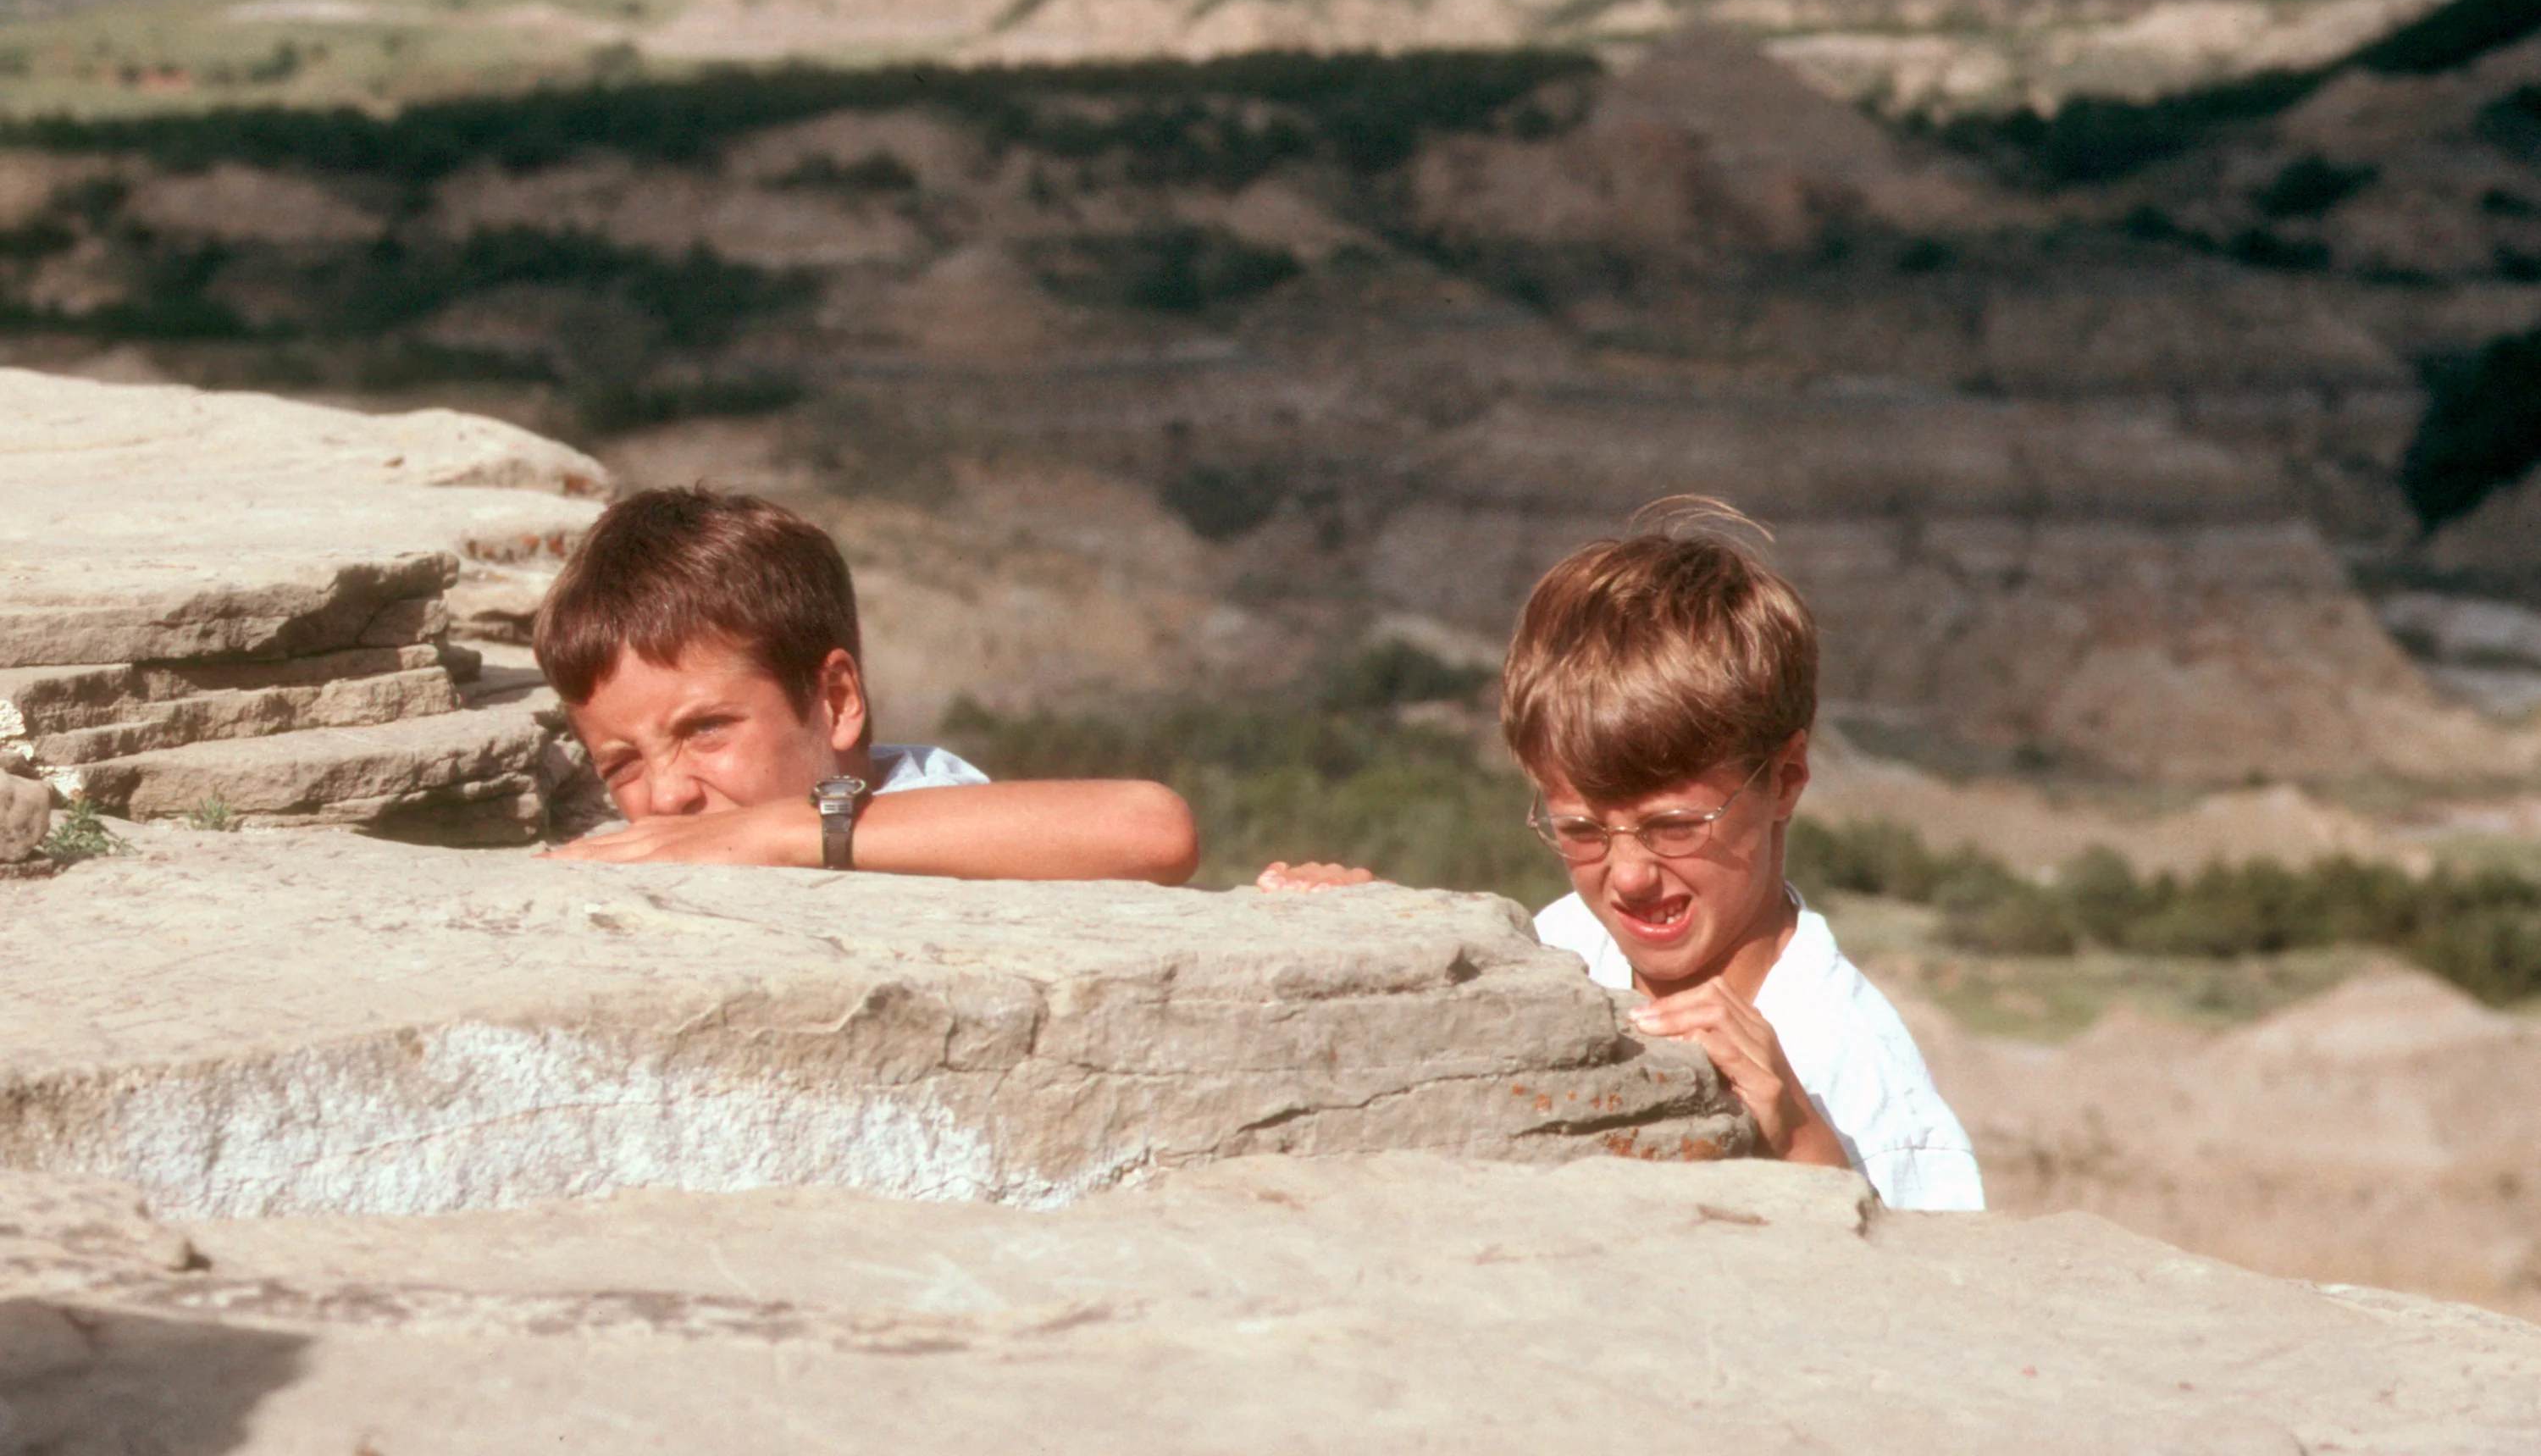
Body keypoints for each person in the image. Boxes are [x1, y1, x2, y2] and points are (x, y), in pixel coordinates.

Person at [1264, 498, 1981, 1211]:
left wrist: (1799, 1143)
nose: (1630, 878)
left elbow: (1925, 1307)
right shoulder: (1565, 944)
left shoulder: (1855, 1076)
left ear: (1785, 780)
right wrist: (1371, 932)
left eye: (1675, 826)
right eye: (1581, 830)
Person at [533, 486, 1199, 883]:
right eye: (621, 764)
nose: (667, 795)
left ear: (836, 701)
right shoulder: (668, 840)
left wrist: (786, 833)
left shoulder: (928, 809)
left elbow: (1152, 829)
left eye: (705, 730)